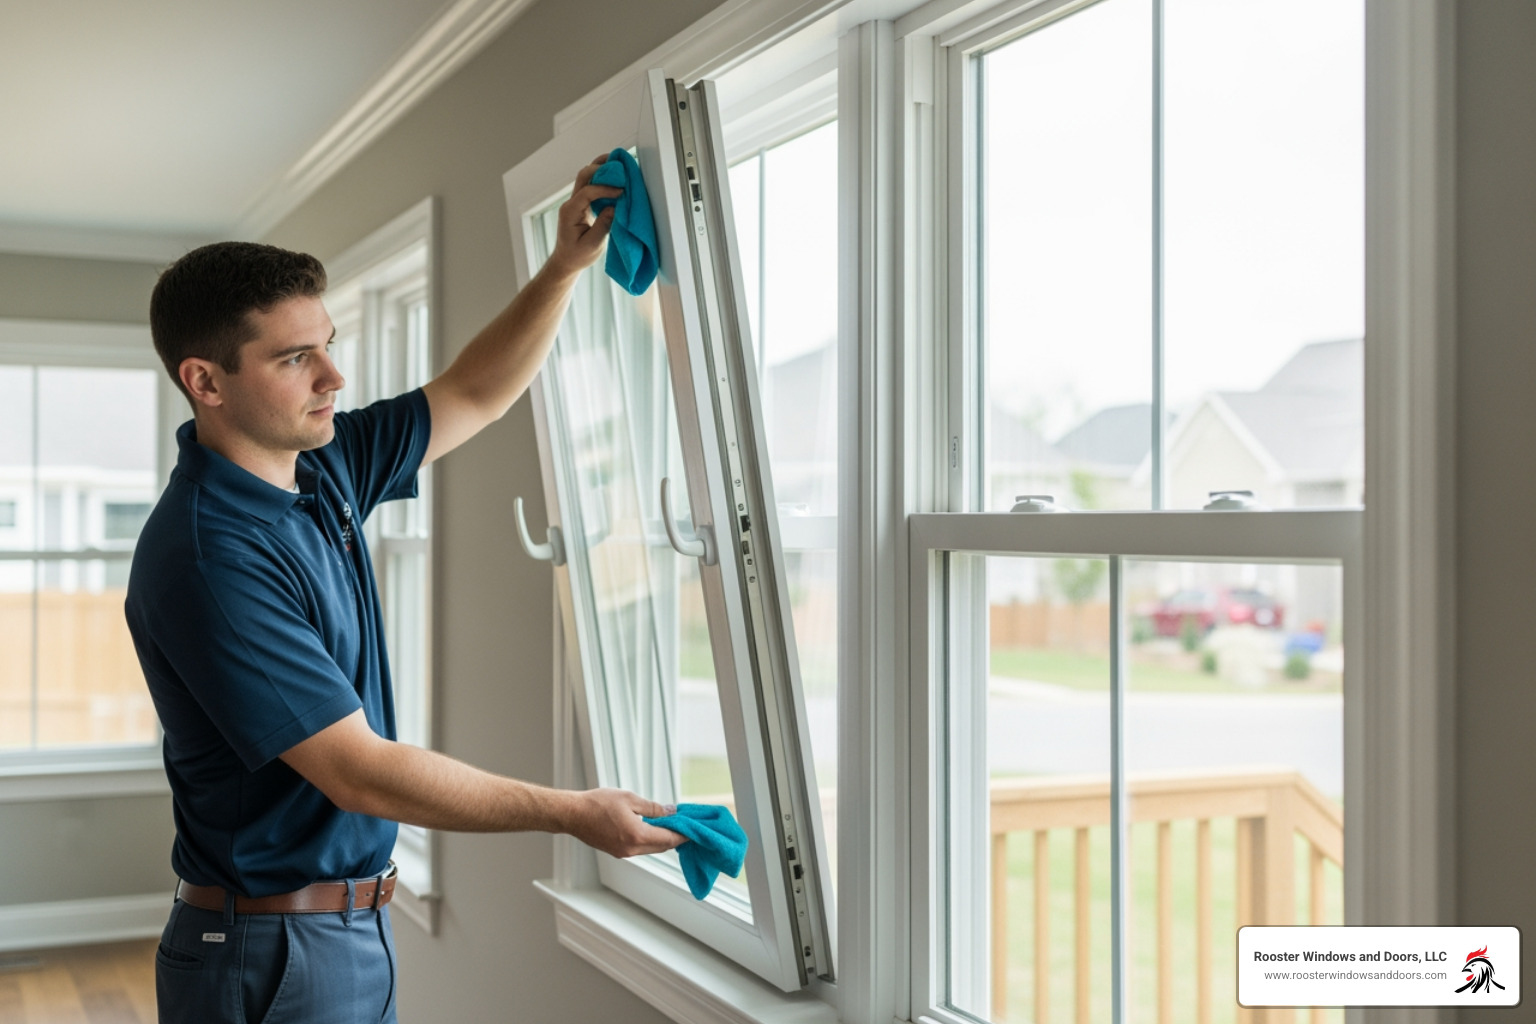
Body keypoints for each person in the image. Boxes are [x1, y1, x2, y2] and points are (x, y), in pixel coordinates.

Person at [125, 157, 682, 1024]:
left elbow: (474, 392)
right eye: (296, 357)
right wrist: (573, 813)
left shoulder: (323, 465)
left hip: (340, 934)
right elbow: (359, 772)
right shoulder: (209, 557)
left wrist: (565, 264)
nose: (332, 380)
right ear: (206, 381)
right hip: (266, 955)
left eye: (330, 347)